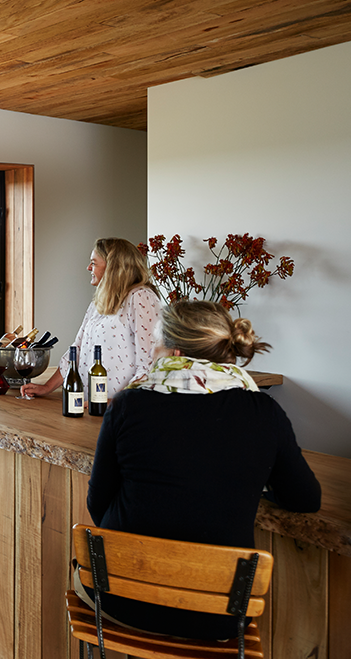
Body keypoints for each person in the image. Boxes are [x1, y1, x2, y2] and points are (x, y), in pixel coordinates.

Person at [82, 301, 321, 639]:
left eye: (155, 343)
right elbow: (305, 499)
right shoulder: (263, 412)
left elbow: (98, 504)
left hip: (120, 598)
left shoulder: (129, 405)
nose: (151, 351)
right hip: (220, 613)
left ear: (176, 352)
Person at [22, 237, 160, 398]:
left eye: (93, 263)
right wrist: (47, 387)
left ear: (112, 267)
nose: (88, 268)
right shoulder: (100, 302)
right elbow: (77, 350)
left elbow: (151, 364)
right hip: (91, 406)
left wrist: (115, 404)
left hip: (122, 411)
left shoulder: (141, 297)